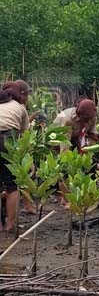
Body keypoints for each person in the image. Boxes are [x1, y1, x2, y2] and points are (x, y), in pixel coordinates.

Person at [0, 81, 31, 231]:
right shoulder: (19, 108)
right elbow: (24, 137)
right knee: (12, 186)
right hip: (7, 138)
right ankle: (10, 224)